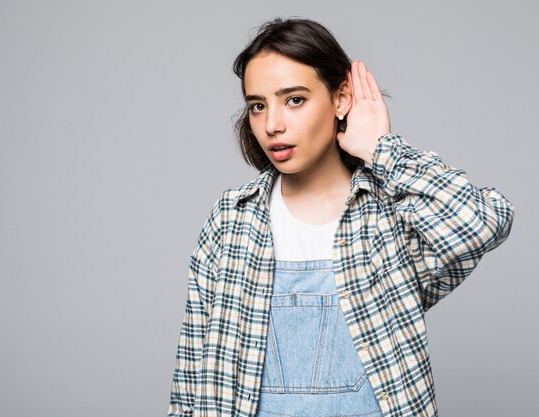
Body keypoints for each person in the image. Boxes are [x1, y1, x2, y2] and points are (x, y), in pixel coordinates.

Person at [167, 17, 515, 417]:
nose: (272, 125)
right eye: (257, 106)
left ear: (341, 98)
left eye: (294, 99)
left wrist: (383, 149)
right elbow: (191, 374)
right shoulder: (232, 219)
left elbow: (484, 220)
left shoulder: (388, 214)